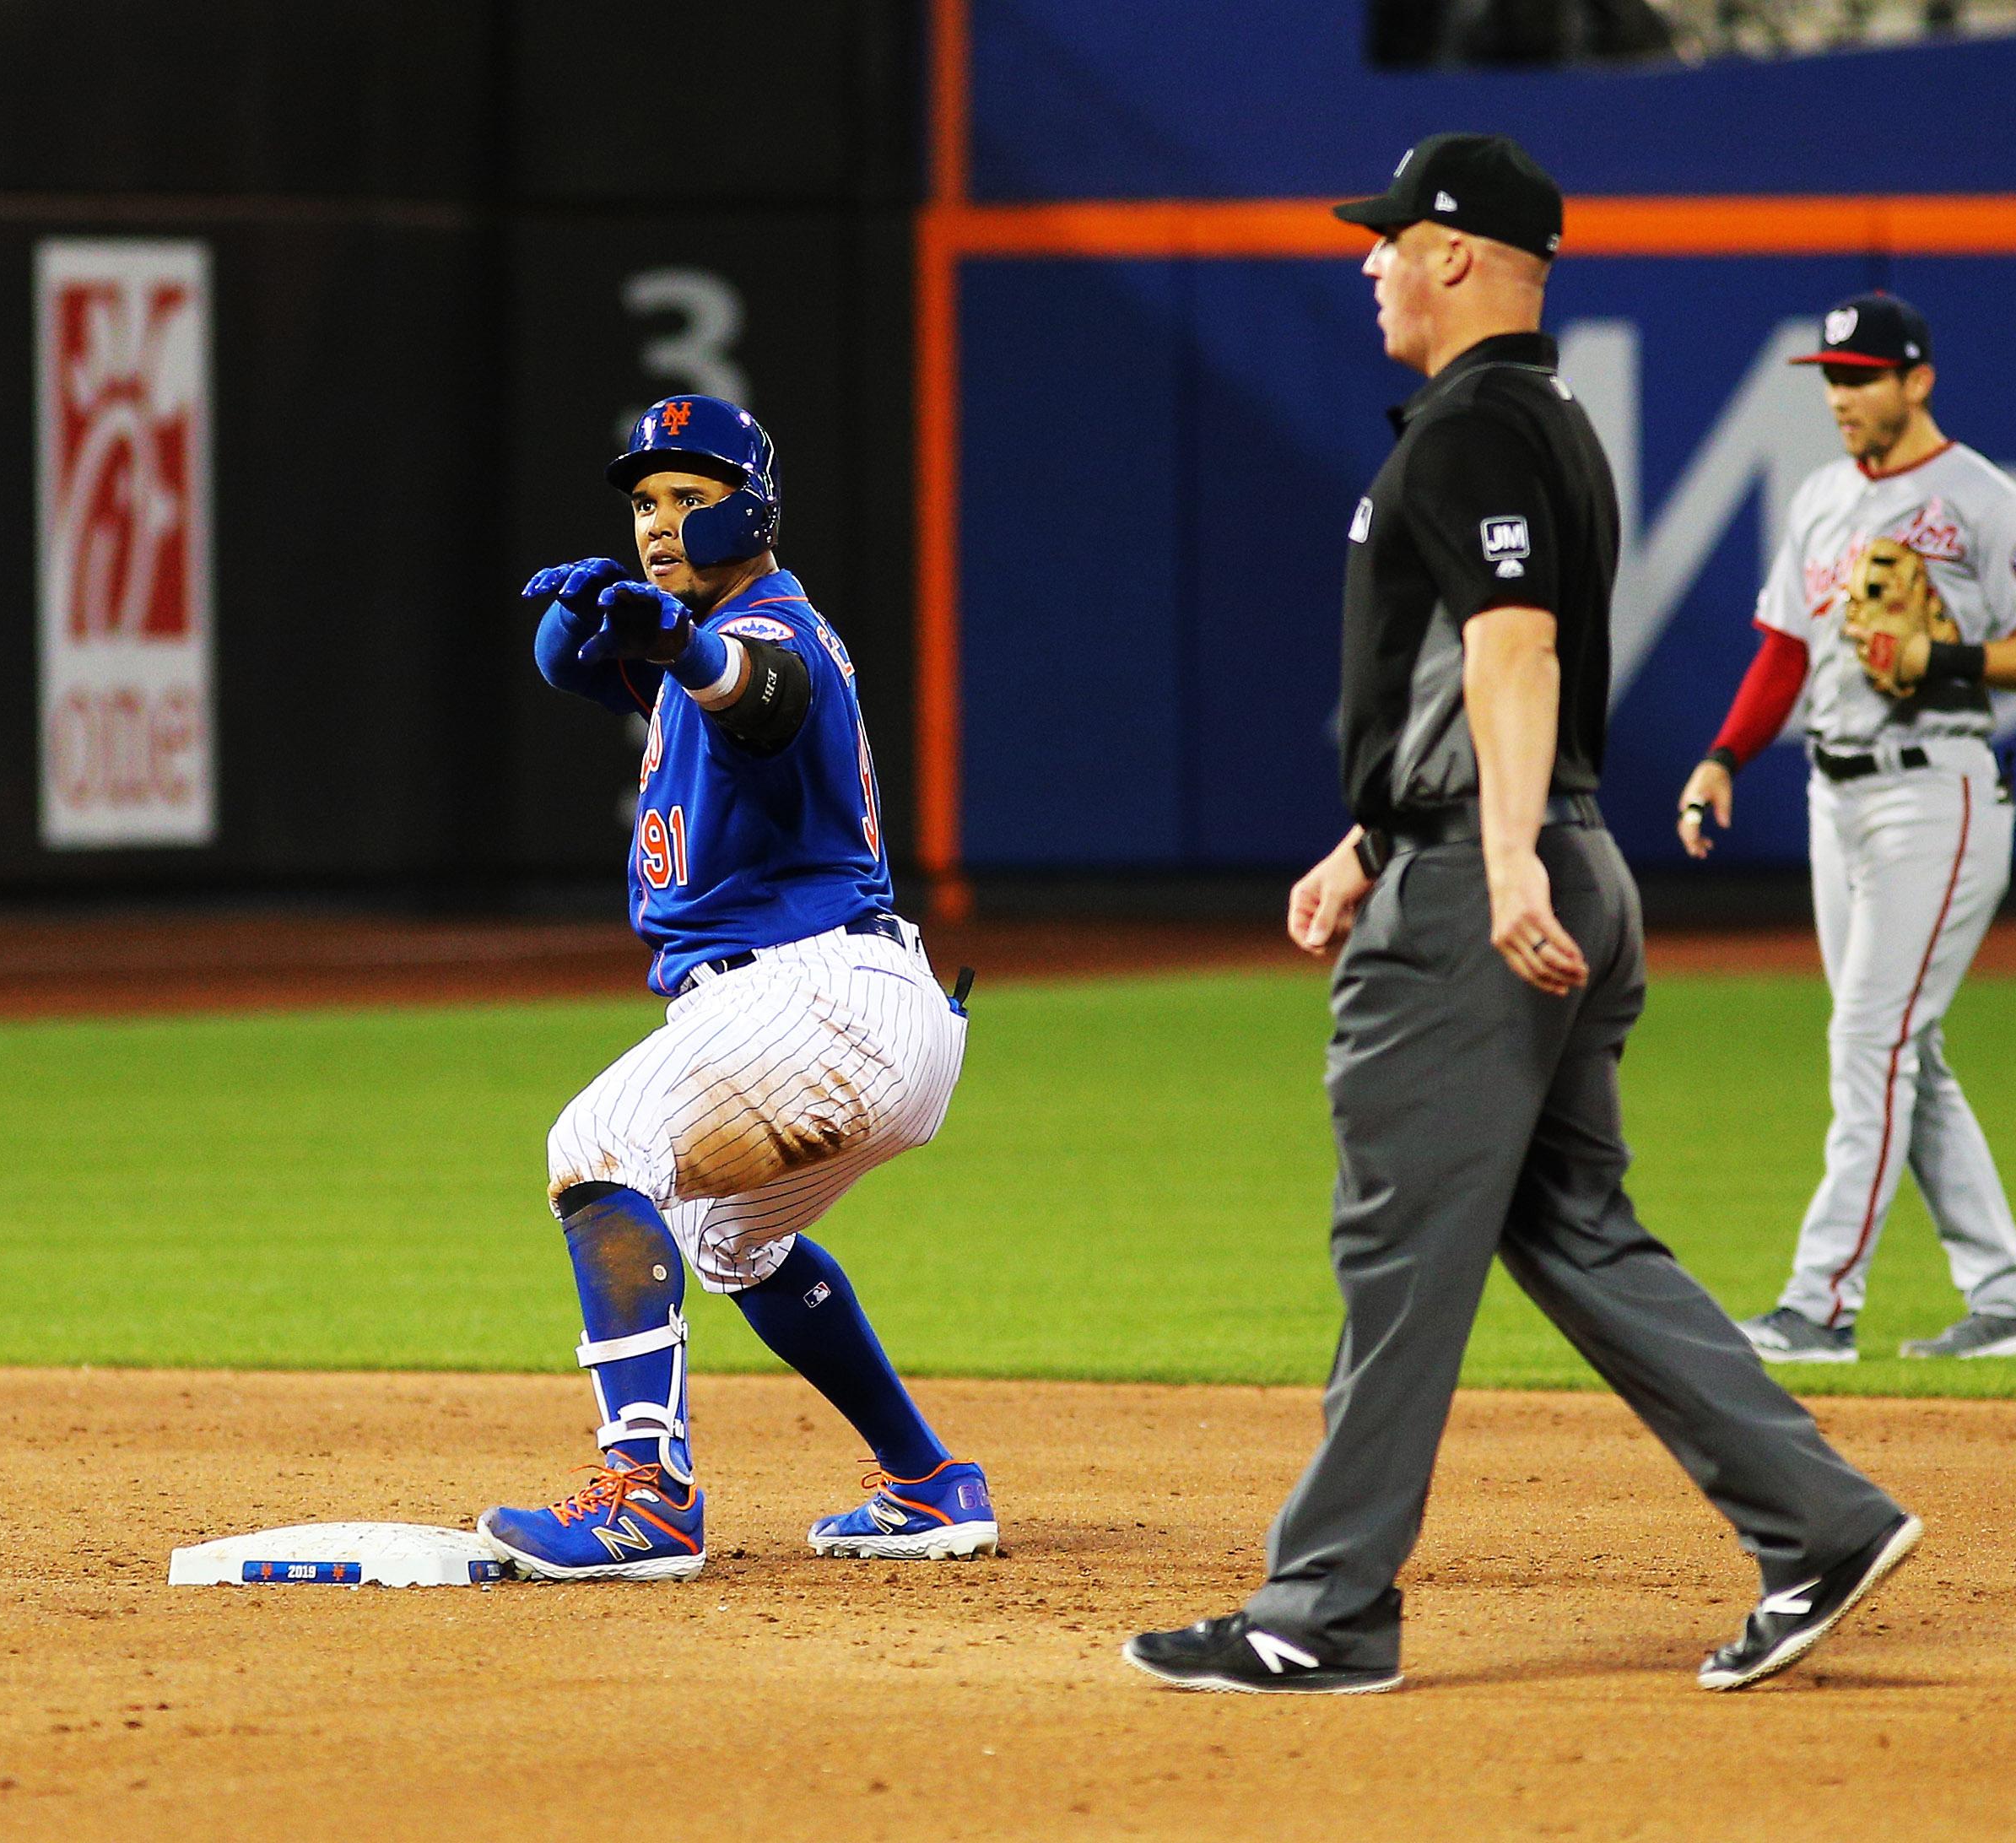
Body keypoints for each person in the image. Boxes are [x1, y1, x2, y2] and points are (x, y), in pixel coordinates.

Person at [1121, 134, 1917, 1695]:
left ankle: (1322, 1603)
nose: (1367, 262)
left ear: (1460, 254)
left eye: (1389, 237)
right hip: (1533, 849)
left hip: (1489, 887)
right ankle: (1816, 1519)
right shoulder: (1541, 424)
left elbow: (1512, 654)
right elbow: (1468, 673)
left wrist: (1485, 864)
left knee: (1394, 1245)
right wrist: (1371, 835)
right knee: (1573, 1226)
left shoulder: (1475, 431)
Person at [476, 395, 995, 1580]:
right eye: (644, 503)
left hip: (822, 999)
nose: (659, 523)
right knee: (730, 1247)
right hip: (854, 1011)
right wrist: (602, 646)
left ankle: (646, 1497)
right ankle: (928, 1481)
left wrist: (681, 652)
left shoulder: (778, 636)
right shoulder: (693, 646)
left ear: (750, 508)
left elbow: (754, 694)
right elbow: (637, 669)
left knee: (600, 1142)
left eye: (689, 499)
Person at [1675, 293, 2016, 1365]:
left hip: (1934, 791)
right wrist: (1724, 757)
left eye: (1861, 377)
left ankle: (1819, 1306)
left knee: (1869, 1042)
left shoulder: (1986, 503)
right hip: (1833, 794)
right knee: (1906, 1049)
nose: (1841, 396)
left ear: (1918, 381)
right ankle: (2012, 1298)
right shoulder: (1818, 498)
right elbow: (1783, 648)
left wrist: (1942, 661)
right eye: (1831, 377)